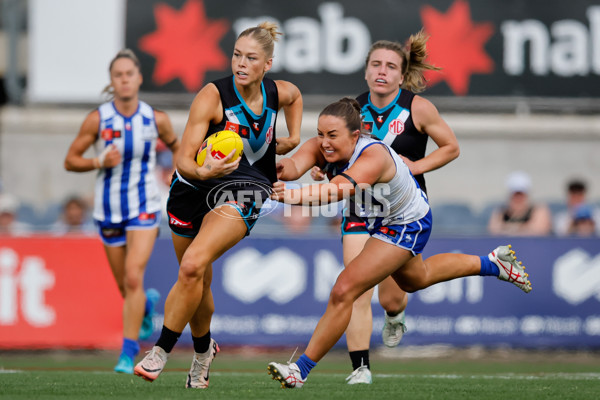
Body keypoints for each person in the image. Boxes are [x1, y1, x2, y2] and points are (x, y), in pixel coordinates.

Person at [266, 98, 531, 389]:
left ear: (355, 135)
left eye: (332, 135)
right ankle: (492, 263)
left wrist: (287, 195)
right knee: (417, 279)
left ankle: (300, 370)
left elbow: (334, 192)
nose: (324, 142)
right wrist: (274, 171)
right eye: (320, 133)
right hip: (381, 220)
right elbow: (293, 165)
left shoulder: (372, 156)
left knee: (345, 289)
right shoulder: (323, 147)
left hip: (407, 223)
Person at [133, 22, 302, 389]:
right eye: (237, 55)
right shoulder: (212, 96)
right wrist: (203, 168)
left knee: (193, 264)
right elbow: (182, 160)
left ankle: (160, 350)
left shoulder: (277, 93)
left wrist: (294, 136)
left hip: (246, 188)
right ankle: (203, 351)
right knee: (197, 278)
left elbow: (295, 97)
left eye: (251, 58)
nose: (241, 63)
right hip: (192, 188)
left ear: (267, 64)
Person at [310, 31, 459, 384]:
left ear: (401, 74)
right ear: (365, 71)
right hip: (359, 211)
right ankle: (361, 367)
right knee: (354, 288)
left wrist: (416, 166)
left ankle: (396, 314)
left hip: (402, 213)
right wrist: (325, 167)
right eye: (376, 64)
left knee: (395, 296)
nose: (382, 71)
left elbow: (451, 147)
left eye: (391, 66)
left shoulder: (417, 108)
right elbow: (334, 148)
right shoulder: (351, 110)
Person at [63, 49, 180, 374]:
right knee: (124, 285)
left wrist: (177, 170)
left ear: (139, 78)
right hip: (109, 209)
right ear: (112, 81)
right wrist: (99, 161)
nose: (125, 79)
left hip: (144, 206)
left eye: (130, 73)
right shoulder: (98, 119)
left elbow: (177, 145)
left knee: (133, 277)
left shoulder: (155, 119)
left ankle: (128, 355)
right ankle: (145, 307)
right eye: (119, 75)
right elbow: (70, 160)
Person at [487, 171, 552, 236]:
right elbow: (494, 230)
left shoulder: (539, 210)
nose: (518, 199)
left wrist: (509, 228)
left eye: (521, 195)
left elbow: (539, 230)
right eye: (515, 195)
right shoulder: (500, 213)